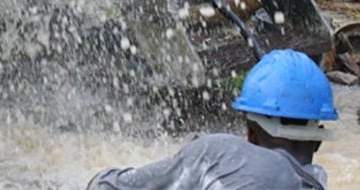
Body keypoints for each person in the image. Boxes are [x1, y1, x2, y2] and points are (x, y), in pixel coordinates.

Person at [86, 49, 338, 190]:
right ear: (318, 141)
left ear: (250, 132)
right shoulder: (316, 183)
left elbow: (111, 187)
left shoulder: (220, 152)